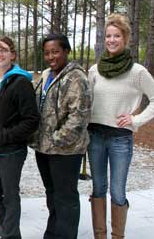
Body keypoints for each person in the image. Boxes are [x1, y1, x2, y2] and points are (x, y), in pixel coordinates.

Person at [87, 14, 154, 239]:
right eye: (109, 36)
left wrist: (136, 119)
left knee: (117, 192)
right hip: (95, 136)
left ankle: (117, 236)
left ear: (126, 39)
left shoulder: (137, 71)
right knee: (98, 188)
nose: (112, 40)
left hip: (120, 138)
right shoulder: (95, 70)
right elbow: (88, 101)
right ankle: (100, 235)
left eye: (117, 36)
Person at [0, 35, 40, 239]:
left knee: (10, 196)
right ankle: (11, 233)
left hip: (10, 150)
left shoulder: (21, 82)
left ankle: (10, 236)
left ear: (12, 54)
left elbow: (31, 120)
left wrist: (6, 135)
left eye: (4, 50)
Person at [31, 34, 92, 239]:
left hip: (65, 150)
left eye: (55, 51)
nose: (51, 56)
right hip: (44, 148)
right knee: (52, 194)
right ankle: (52, 233)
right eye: (47, 52)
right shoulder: (47, 74)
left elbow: (79, 117)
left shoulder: (76, 77)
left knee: (66, 197)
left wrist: (57, 139)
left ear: (66, 51)